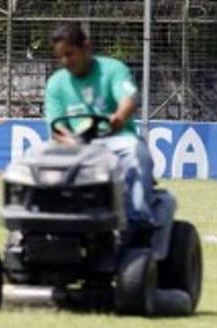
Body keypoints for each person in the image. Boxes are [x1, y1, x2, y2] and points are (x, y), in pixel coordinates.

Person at [44, 22, 156, 232]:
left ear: (86, 47)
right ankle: (43, 222)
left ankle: (139, 221)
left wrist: (119, 117)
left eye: (70, 54)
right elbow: (56, 127)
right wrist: (72, 142)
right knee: (36, 159)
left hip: (115, 138)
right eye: (60, 57)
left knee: (135, 151)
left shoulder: (113, 69)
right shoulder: (56, 83)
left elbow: (128, 99)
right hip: (76, 145)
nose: (65, 61)